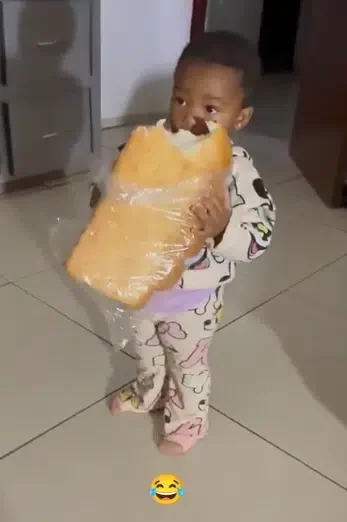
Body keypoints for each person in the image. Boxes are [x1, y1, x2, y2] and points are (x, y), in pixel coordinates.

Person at [91, 31, 276, 455]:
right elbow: (113, 191)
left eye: (210, 108)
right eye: (180, 100)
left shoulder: (239, 173)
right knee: (146, 350)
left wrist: (224, 228)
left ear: (240, 118)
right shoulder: (145, 146)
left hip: (194, 301)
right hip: (141, 285)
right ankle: (149, 391)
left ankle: (189, 417)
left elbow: (260, 236)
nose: (189, 116)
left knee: (187, 364)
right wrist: (107, 198)